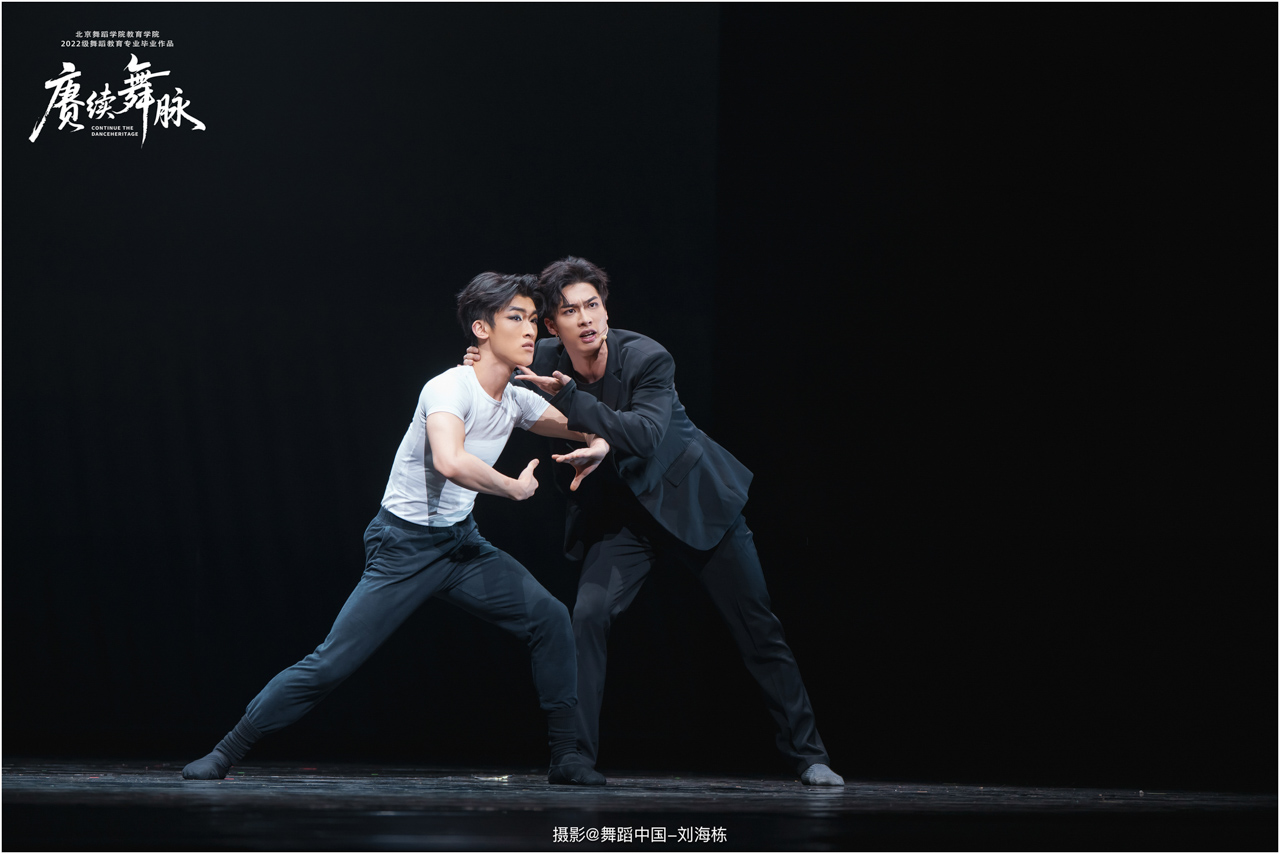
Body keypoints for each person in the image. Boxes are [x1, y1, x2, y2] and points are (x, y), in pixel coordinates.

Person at [182, 272, 609, 786]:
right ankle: (225, 752)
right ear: (481, 329)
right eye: (514, 318)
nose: (529, 330)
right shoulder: (448, 387)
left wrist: (599, 442)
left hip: (460, 544)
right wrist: (511, 488)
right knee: (331, 663)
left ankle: (567, 758)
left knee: (550, 617)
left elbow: (589, 427)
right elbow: (450, 460)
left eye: (533, 320)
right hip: (403, 546)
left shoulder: (517, 398)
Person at [468, 257, 844, 786]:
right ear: (552, 324)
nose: (585, 319)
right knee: (587, 616)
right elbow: (498, 362)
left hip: (696, 502)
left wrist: (571, 399)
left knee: (758, 628)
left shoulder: (647, 357)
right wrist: (484, 357)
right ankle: (574, 757)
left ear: (606, 309)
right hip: (623, 517)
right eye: (570, 311)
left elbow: (644, 436)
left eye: (593, 305)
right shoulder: (543, 358)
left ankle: (810, 756)